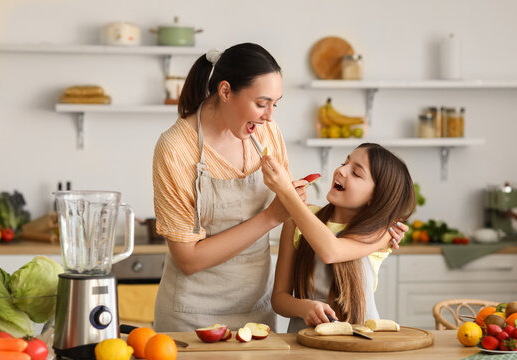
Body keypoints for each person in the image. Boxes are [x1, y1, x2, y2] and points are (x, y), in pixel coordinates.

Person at [151, 43, 310, 332]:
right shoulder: (176, 148)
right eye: (261, 104)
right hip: (191, 319)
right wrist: (272, 216)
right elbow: (187, 259)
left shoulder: (267, 134)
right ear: (225, 92)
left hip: (257, 313)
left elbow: (292, 212)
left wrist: (368, 229)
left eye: (275, 104)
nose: (270, 116)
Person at [261, 143, 415, 332]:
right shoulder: (296, 221)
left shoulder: (381, 233)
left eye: (356, 173)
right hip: (306, 344)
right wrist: (304, 308)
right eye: (344, 162)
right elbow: (279, 299)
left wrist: (286, 193)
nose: (341, 170)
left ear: (375, 198)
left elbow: (331, 251)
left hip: (361, 344)